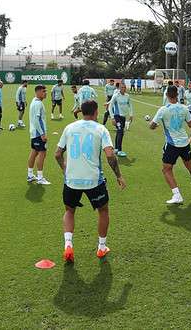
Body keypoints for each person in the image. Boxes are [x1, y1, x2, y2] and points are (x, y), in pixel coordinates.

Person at [55, 99, 127, 262]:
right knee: (103, 210)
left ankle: (68, 245)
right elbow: (110, 155)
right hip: (94, 181)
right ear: (95, 112)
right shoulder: (101, 129)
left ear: (81, 111)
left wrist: (65, 169)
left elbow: (57, 154)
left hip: (71, 181)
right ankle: (101, 248)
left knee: (69, 211)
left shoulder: (69, 128)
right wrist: (118, 175)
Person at [150, 85, 191, 204]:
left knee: (166, 169)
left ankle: (177, 195)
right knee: (190, 165)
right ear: (177, 95)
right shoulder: (184, 108)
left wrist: (153, 124)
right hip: (185, 143)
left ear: (167, 95)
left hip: (172, 145)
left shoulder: (163, 110)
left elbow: (152, 126)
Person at [27, 85, 51, 185]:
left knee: (34, 153)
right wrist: (42, 134)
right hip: (38, 134)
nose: (45, 93)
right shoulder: (38, 104)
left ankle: (30, 175)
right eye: (43, 91)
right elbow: (37, 120)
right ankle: (40, 178)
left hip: (34, 133)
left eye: (45, 91)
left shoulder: (34, 101)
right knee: (42, 153)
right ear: (37, 92)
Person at [107, 82, 133, 157]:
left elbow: (130, 105)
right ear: (119, 88)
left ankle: (116, 149)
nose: (123, 89)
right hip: (117, 116)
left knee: (120, 132)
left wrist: (131, 114)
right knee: (120, 131)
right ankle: (119, 150)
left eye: (124, 87)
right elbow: (110, 107)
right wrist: (112, 118)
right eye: (122, 87)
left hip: (123, 117)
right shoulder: (116, 96)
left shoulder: (127, 96)